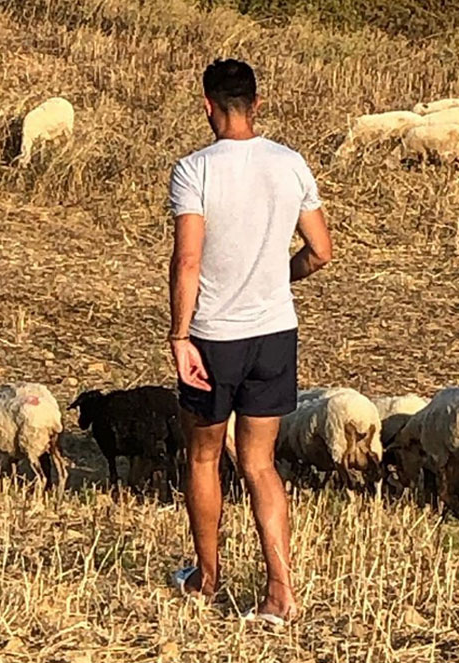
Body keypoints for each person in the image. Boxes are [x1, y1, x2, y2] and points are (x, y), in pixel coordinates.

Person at [168, 58, 332, 624]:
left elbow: (187, 260)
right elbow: (321, 251)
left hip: (215, 336)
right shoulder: (290, 163)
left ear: (206, 105)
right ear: (257, 104)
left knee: (204, 456)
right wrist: (277, 277)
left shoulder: (194, 170)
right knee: (260, 464)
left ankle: (207, 579)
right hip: (275, 333)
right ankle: (280, 593)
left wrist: (179, 333)